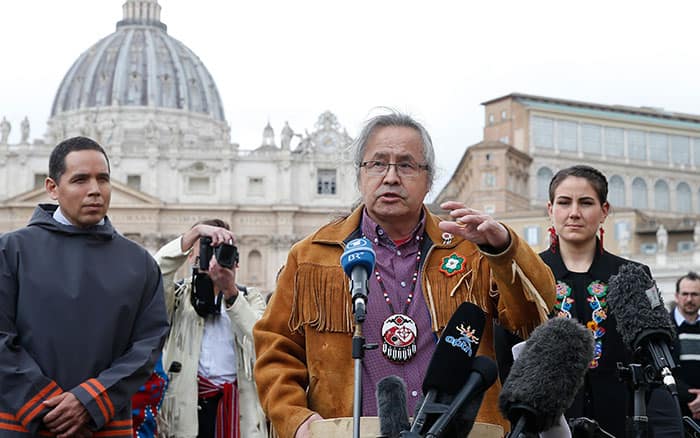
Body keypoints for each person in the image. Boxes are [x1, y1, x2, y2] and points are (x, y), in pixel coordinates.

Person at [253, 111, 557, 438]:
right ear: (359, 175)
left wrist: (504, 248)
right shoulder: (312, 255)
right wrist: (295, 419)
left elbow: (533, 315)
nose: (391, 177)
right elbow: (276, 349)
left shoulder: (470, 249)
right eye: (378, 164)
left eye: (407, 165)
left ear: (428, 180)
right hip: (347, 431)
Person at [0, 136, 169, 437]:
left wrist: (88, 402)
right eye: (80, 180)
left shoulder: (140, 263)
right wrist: (52, 408)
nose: (95, 190)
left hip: (102, 425)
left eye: (102, 179)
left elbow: (147, 346)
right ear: (52, 187)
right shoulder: (11, 250)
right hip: (26, 424)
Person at [541, 164, 682, 438]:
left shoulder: (634, 276)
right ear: (550, 209)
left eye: (586, 203)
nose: (574, 213)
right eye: (564, 202)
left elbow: (656, 356)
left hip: (623, 420)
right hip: (546, 423)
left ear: (604, 210)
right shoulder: (529, 274)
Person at [157, 219, 268, 438]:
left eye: (222, 251)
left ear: (235, 260)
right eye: (208, 250)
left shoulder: (249, 298)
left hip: (236, 411)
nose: (214, 262)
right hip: (186, 413)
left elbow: (262, 340)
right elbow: (155, 273)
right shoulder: (179, 297)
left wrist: (231, 293)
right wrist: (194, 234)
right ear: (190, 256)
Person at [671, 271, 700, 419]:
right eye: (685, 294)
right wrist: (691, 398)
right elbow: (661, 372)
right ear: (677, 296)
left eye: (695, 294)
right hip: (674, 411)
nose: (689, 299)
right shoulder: (663, 328)